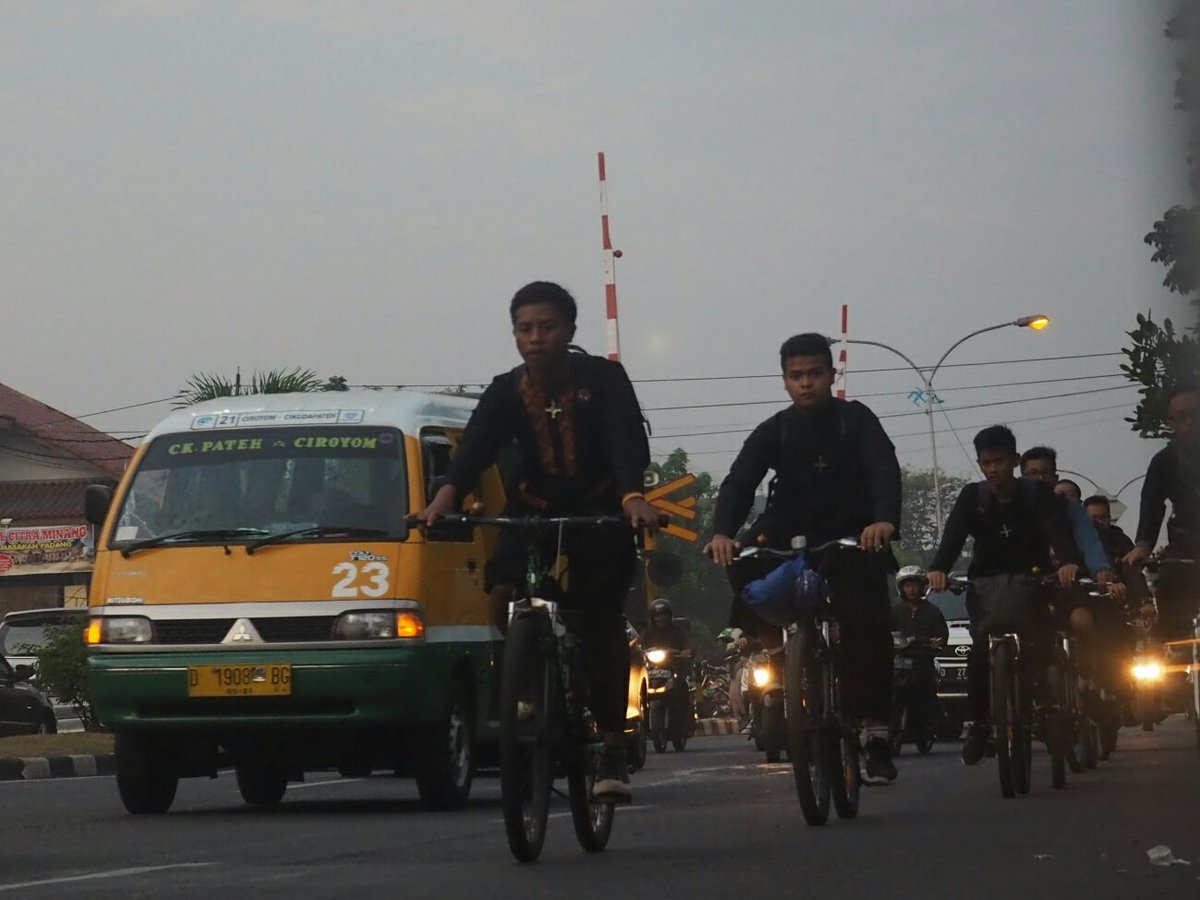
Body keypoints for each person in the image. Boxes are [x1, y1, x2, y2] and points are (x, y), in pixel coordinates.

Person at [416, 280, 661, 804]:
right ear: (514, 335)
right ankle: (527, 685)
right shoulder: (506, 390)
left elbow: (625, 442)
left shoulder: (604, 379)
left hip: (601, 511)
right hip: (532, 510)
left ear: (569, 330)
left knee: (599, 622)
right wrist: (443, 501)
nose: (535, 338)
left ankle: (612, 746)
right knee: (503, 592)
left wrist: (632, 498)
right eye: (524, 329)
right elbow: (473, 449)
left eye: (546, 327)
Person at [702, 332, 902, 784]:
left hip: (852, 535)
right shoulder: (776, 429)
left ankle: (875, 733)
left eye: (814, 374)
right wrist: (722, 532)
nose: (806, 383)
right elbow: (739, 481)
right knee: (740, 561)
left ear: (832, 375)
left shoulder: (855, 420)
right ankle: (775, 648)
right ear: (784, 381)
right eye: (796, 376)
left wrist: (883, 521)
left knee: (868, 626)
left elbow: (882, 467)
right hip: (788, 535)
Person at [927, 426, 1081, 766]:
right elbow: (953, 537)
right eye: (986, 463)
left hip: (1033, 579)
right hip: (986, 584)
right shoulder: (973, 497)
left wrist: (1068, 562)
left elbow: (1056, 532)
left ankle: (1047, 706)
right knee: (979, 650)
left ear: (1014, 460)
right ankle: (979, 724)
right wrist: (937, 569)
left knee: (1041, 644)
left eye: (999, 461)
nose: (993, 469)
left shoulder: (1036, 494)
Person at [1123, 382, 1200, 644]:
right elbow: (1152, 503)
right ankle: (1172, 656)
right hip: (1187, 545)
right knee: (1168, 590)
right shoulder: (1164, 461)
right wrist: (1143, 545)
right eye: (1182, 416)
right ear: (1171, 423)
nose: (1190, 422)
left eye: (1194, 413)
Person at [889, 567, 949, 742]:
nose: (911, 590)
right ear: (901, 588)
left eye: (914, 585)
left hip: (922, 661)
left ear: (922, 587)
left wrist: (932, 643)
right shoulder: (895, 611)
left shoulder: (932, 612)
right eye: (907, 586)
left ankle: (928, 722)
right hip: (898, 661)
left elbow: (941, 637)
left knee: (924, 691)